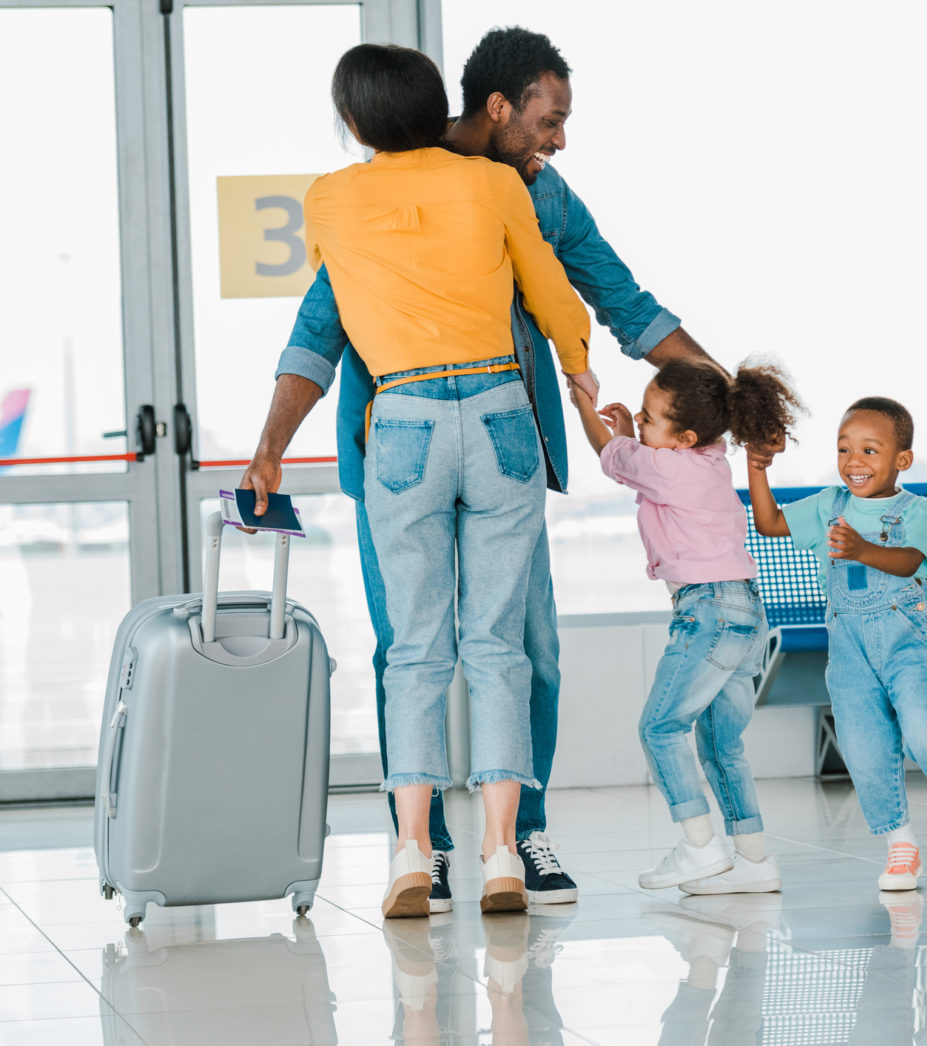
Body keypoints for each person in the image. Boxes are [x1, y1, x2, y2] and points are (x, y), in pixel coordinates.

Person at [240, 26, 720, 912]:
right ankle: (437, 848)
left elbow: (625, 304)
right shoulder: (427, 196)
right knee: (417, 647)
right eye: (549, 120)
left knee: (522, 649)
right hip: (439, 439)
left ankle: (519, 832)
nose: (559, 140)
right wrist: (272, 440)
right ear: (498, 108)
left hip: (460, 442)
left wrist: (725, 395)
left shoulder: (532, 193)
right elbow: (320, 328)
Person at [301, 42, 597, 918]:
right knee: (500, 646)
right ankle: (504, 851)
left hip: (402, 421)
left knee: (416, 652)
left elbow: (338, 310)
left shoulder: (328, 200)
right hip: (503, 413)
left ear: (355, 122)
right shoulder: (497, 186)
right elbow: (550, 296)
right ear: (442, 109)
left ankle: (411, 854)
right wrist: (577, 372)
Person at [746, 397, 927, 890]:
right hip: (847, 649)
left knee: (922, 726)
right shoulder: (829, 505)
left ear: (902, 460)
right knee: (864, 746)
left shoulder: (916, 510)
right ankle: (900, 846)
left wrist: (863, 549)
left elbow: (912, 562)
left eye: (870, 451)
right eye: (845, 449)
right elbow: (769, 524)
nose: (854, 462)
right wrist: (756, 467)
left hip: (904, 641)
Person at [569, 360, 802, 893]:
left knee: (660, 727)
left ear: (685, 438)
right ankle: (755, 861)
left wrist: (586, 403)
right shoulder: (709, 457)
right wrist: (636, 432)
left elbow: (609, 455)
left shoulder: (668, 468)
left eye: (650, 419)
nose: (642, 424)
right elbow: (637, 453)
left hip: (708, 613)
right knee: (722, 746)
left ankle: (699, 846)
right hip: (747, 615)